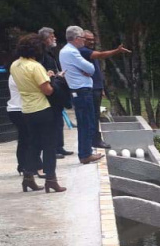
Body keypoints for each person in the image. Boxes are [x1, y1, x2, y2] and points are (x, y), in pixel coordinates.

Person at [10, 34, 65, 193]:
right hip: (42, 109)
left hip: (27, 109)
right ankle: (51, 180)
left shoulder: (15, 65)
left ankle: (28, 177)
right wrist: (54, 79)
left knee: (33, 144)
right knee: (49, 145)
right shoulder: (35, 66)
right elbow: (47, 91)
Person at [59, 26, 103, 165]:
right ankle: (85, 154)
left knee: (87, 121)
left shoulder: (66, 51)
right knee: (86, 122)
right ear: (77, 39)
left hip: (80, 90)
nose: (84, 41)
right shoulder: (72, 52)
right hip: (82, 91)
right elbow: (91, 68)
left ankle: (86, 151)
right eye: (83, 38)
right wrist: (88, 71)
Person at [80, 31, 130, 149]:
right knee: (92, 116)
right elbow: (102, 55)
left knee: (95, 115)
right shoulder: (84, 51)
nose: (91, 41)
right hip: (90, 89)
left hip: (96, 87)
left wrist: (101, 87)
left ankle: (95, 140)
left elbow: (97, 70)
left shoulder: (89, 51)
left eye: (93, 39)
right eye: (88, 39)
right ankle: (94, 141)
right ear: (81, 39)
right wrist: (117, 51)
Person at [38, 27, 72, 158]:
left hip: (56, 85)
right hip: (50, 89)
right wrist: (52, 76)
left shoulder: (50, 52)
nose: (55, 39)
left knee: (58, 120)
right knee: (52, 122)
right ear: (46, 39)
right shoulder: (41, 53)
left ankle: (59, 146)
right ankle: (53, 149)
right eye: (52, 37)